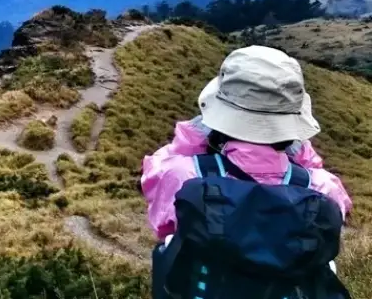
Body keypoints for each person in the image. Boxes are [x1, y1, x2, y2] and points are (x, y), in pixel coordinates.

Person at [141, 45, 353, 298]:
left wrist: (198, 134)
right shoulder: (322, 188)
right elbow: (323, 185)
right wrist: (296, 149)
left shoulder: (182, 175)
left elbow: (159, 208)